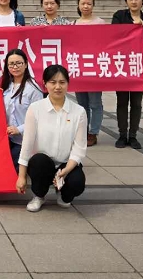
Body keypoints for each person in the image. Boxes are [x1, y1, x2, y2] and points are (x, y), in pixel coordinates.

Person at [16, 64, 87, 212]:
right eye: (53, 82)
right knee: (38, 161)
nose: (57, 87)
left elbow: (79, 149)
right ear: (45, 84)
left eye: (62, 82)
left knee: (77, 184)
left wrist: (65, 170)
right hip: (43, 162)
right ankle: (39, 195)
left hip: (66, 163)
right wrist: (21, 176)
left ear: (68, 84)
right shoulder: (35, 109)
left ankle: (63, 194)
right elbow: (27, 144)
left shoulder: (79, 111)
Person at [111, 0, 143, 150]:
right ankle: (122, 134)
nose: (134, 2)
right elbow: (114, 35)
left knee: (136, 103)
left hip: (139, 67)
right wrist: (133, 26)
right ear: (126, 1)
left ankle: (133, 135)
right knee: (122, 101)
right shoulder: (119, 16)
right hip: (122, 66)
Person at [0, 49, 44, 170]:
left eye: (18, 63)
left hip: (25, 142)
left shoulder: (33, 89)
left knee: (12, 170)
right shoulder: (6, 86)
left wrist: (19, 129)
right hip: (7, 139)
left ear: (25, 64)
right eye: (11, 64)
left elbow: (39, 117)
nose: (15, 67)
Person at [74, 0, 106, 147]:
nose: (85, 6)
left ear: (93, 5)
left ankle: (93, 132)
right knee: (82, 104)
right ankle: (83, 131)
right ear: (78, 5)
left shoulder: (100, 23)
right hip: (78, 68)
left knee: (95, 102)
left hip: (95, 68)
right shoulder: (73, 24)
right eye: (83, 3)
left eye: (89, 3)